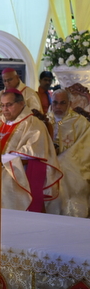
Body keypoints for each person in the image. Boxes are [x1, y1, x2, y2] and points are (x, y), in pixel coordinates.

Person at [0, 88, 62, 211]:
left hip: (17, 167)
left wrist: (3, 159)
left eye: (9, 105)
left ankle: (9, 216)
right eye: (2, 105)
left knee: (3, 180)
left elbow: (33, 148)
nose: (4, 109)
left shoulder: (33, 123)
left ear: (21, 104)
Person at [46, 88, 90, 217]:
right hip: (48, 161)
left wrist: (62, 159)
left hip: (73, 164)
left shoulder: (80, 122)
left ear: (70, 104)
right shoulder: (44, 119)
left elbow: (84, 147)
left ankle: (69, 215)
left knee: (62, 170)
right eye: (55, 103)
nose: (58, 106)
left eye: (62, 103)